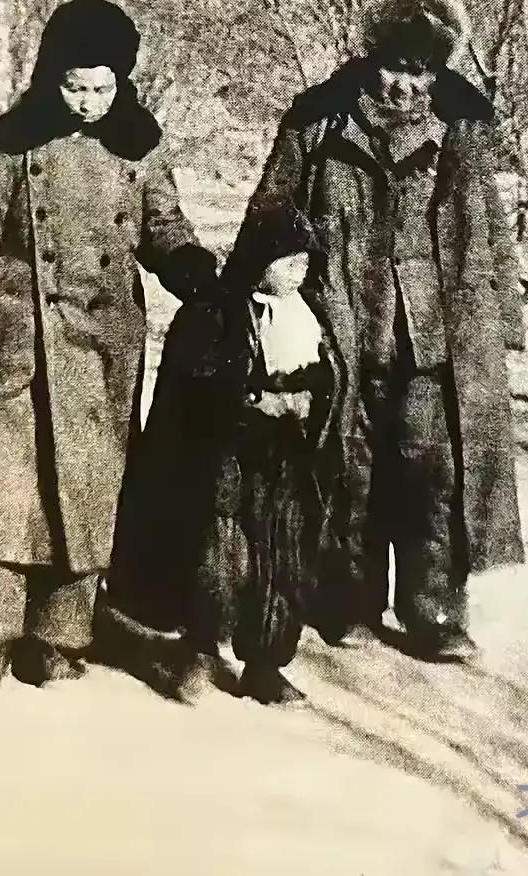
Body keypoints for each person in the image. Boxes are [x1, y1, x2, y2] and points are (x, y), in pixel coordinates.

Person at [225, 0, 527, 664]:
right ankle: (348, 605)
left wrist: (499, 317)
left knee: (432, 473)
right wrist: (251, 295)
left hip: (430, 334)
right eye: (394, 66)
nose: (403, 86)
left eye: (420, 71)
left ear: (439, 71)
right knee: (346, 468)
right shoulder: (321, 122)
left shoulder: (461, 132)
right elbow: (271, 211)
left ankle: (436, 615)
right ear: (370, 60)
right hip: (341, 321)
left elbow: (486, 228)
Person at [0, 0, 218, 700]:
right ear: (49, 75)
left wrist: (192, 268)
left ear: (123, 82)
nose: (88, 101)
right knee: (1, 494)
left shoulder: (140, 146)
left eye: (103, 87)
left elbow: (163, 225)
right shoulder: (11, 141)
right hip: (16, 341)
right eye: (74, 85)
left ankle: (59, 640)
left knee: (84, 498)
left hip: (101, 346)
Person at [172, 206, 344, 707]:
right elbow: (201, 383)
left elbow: (329, 375)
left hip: (288, 456)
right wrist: (251, 401)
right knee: (223, 551)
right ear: (260, 259)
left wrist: (312, 399)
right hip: (232, 454)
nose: (299, 270)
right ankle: (200, 649)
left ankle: (266, 662)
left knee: (283, 553)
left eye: (305, 262)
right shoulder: (219, 313)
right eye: (287, 260)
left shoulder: (308, 315)